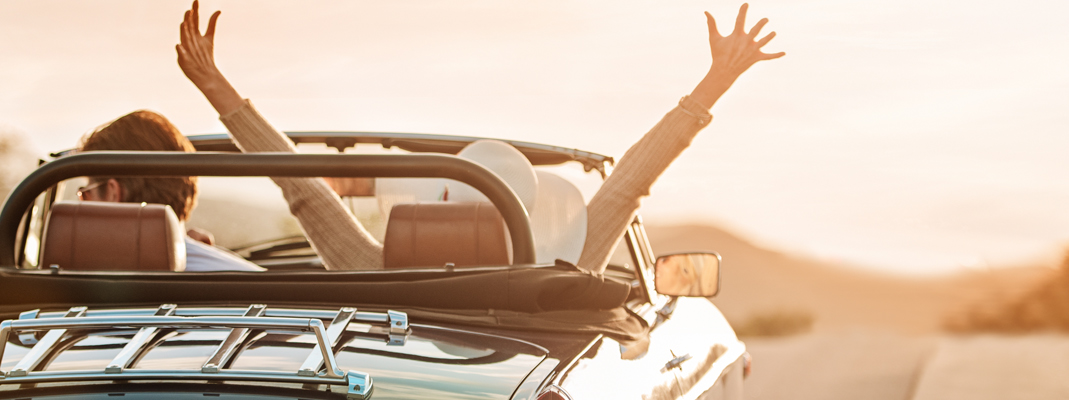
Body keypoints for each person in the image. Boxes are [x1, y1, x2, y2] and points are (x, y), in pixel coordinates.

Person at [172, 1, 784, 273]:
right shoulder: (566, 272)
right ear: (537, 213)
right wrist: (713, 83)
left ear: (437, 210)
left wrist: (217, 88)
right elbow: (631, 182)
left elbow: (299, 185)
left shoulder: (375, 270)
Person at [74, 110, 265, 272]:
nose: (83, 204)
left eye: (86, 195)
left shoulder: (64, 281)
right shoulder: (256, 283)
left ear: (113, 192)